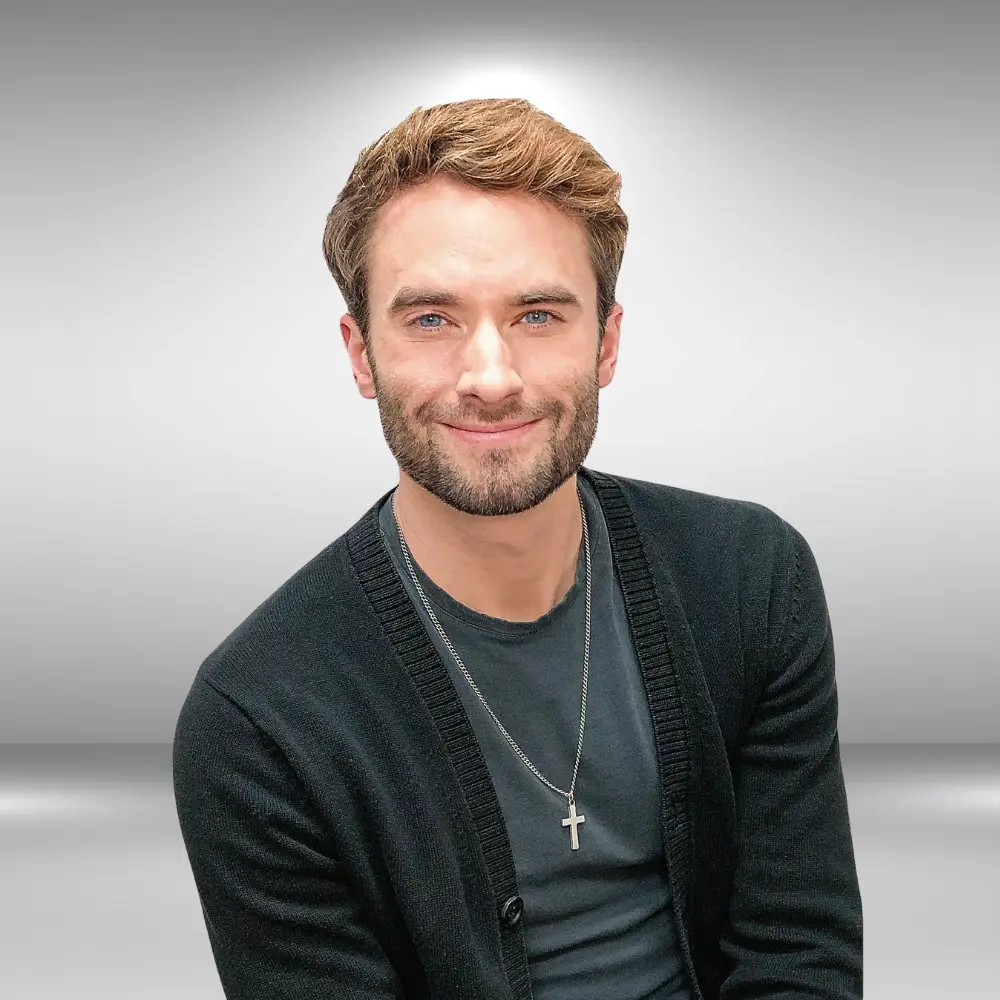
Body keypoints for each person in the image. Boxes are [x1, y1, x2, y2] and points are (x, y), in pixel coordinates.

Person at [172, 97, 863, 1000]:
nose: (490, 377)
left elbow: (799, 957)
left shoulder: (750, 579)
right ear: (360, 355)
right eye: (430, 319)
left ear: (606, 342)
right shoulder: (259, 721)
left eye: (539, 315)